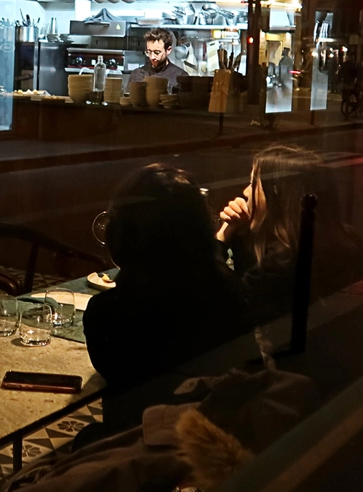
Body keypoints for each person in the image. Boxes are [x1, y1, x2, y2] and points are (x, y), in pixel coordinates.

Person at [80, 164, 254, 445]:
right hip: (215, 444)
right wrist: (220, 241)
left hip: (146, 452)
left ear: (123, 232)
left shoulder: (110, 315)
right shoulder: (230, 292)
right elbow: (199, 269)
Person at [216, 145, 363, 327]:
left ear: (275, 192)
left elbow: (225, 303)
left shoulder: (280, 263)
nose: (246, 192)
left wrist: (222, 236)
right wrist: (241, 232)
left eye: (253, 183)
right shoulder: (346, 239)